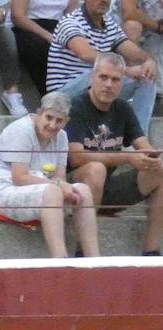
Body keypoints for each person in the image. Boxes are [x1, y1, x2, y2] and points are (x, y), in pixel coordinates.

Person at [0, 90, 100, 256]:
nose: (53, 125)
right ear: (39, 114)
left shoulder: (62, 137)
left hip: (40, 189)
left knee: (83, 190)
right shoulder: (22, 130)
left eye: (59, 120)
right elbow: (20, 177)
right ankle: (61, 262)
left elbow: (59, 176)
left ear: (66, 122)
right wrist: (59, 186)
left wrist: (61, 186)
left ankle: (94, 261)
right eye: (49, 118)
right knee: (53, 191)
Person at [67, 53, 163, 253]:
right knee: (95, 169)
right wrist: (128, 158)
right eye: (103, 77)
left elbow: (144, 147)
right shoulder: (76, 106)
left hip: (106, 191)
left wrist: (154, 158)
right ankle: (82, 251)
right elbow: (75, 157)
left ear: (122, 83)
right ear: (92, 78)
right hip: (72, 193)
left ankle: (151, 252)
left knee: (161, 169)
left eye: (115, 79)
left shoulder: (122, 109)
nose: (109, 84)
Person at [48, 0, 158, 128]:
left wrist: (149, 61)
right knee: (96, 73)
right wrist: (125, 71)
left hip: (95, 84)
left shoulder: (109, 24)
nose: (103, 1)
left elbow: (132, 51)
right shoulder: (70, 22)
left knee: (146, 79)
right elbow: (85, 54)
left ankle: (139, 140)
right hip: (64, 92)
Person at [12, 0, 76, 94]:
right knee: (42, 48)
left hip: (57, 27)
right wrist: (47, 35)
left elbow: (70, 17)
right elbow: (17, 16)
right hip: (28, 28)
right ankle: (48, 94)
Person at [116, 0, 163, 65]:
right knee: (133, 26)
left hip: (155, 40)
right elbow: (129, 13)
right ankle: (130, 68)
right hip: (124, 34)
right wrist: (158, 26)